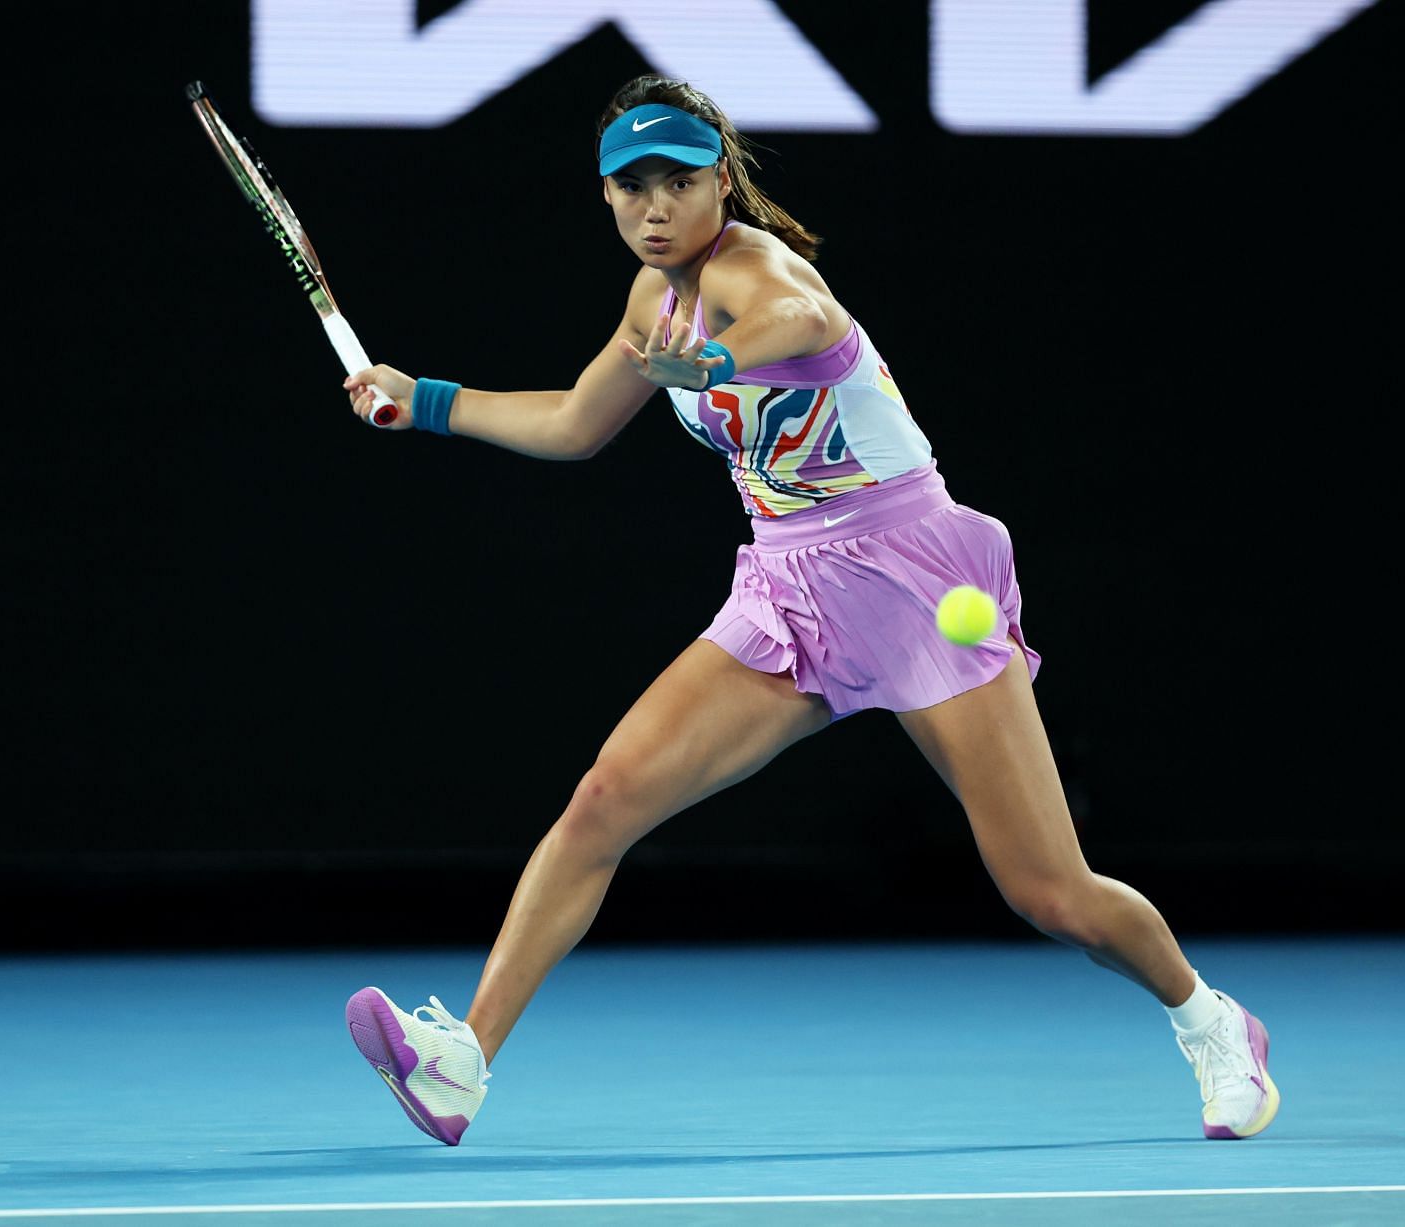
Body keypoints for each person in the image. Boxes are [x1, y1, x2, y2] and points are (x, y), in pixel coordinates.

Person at [339, 75, 1278, 1148]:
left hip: (919, 577)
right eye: (629, 187)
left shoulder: (755, 268)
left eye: (678, 183)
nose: (654, 207)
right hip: (789, 591)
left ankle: (1209, 1021)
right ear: (604, 197)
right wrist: (428, 403)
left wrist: (721, 359)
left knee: (1050, 893)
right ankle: (462, 1060)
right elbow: (574, 423)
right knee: (605, 800)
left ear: (721, 182)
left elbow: (806, 312)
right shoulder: (654, 299)